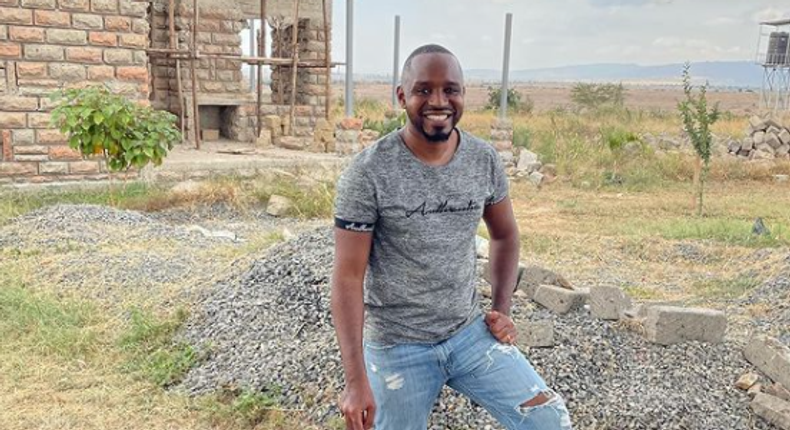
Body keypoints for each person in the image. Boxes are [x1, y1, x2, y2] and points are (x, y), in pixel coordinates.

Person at [331, 44, 573, 430]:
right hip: (397, 346)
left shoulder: (483, 159)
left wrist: (501, 310)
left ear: (463, 95)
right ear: (401, 96)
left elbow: (506, 235)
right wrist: (356, 381)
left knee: (547, 419)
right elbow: (347, 277)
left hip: (469, 335)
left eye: (451, 89)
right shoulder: (368, 173)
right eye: (423, 90)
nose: (438, 101)